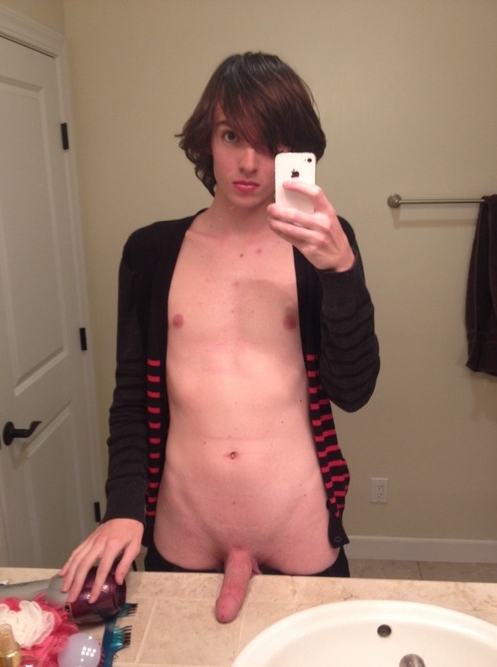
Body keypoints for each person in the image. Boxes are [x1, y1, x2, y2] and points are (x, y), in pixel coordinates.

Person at [60, 51, 380, 623]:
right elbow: (131, 398)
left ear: (296, 153)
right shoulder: (150, 253)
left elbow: (354, 391)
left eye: (271, 143)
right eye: (233, 136)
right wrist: (124, 508)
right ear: (207, 139)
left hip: (299, 527)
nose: (249, 162)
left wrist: (341, 273)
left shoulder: (322, 245)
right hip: (184, 527)